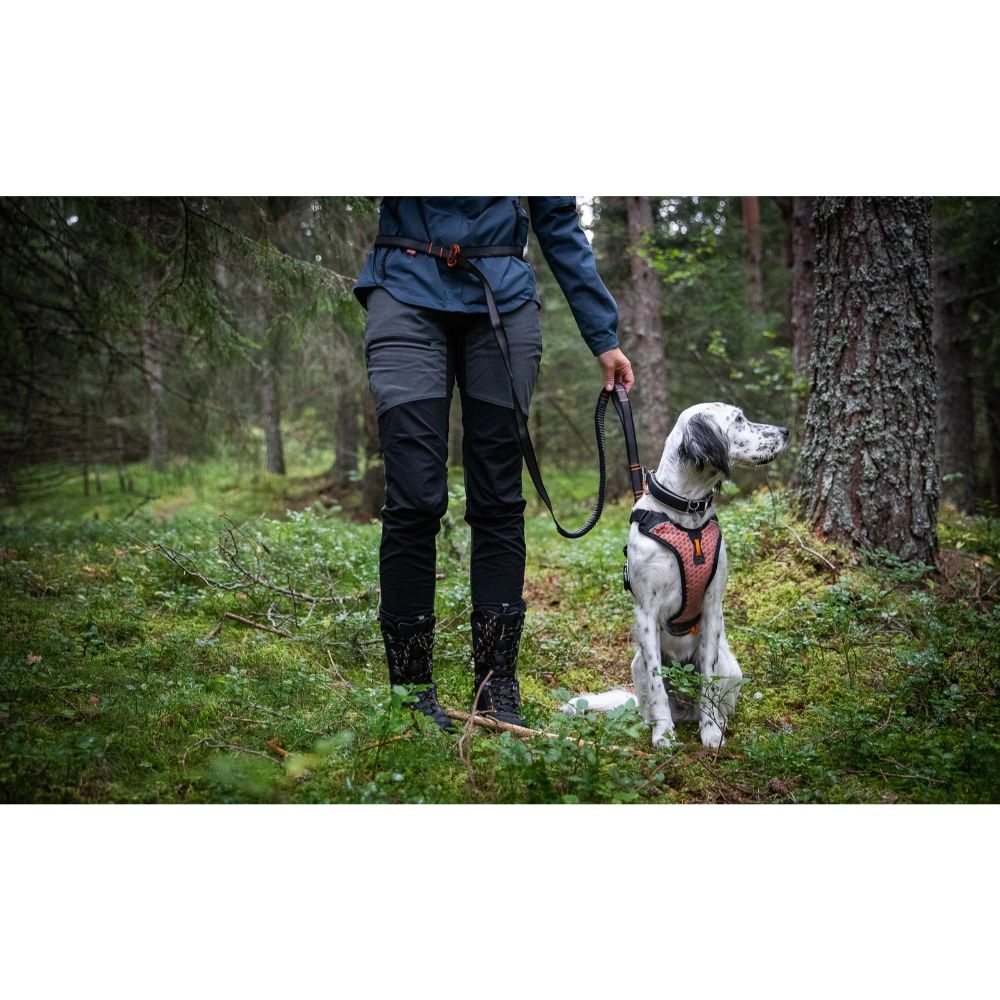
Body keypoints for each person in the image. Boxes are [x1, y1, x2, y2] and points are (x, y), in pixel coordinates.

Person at [354, 197, 634, 730]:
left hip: (502, 302)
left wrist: (603, 334)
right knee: (413, 498)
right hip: (404, 289)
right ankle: (411, 694)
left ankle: (496, 686)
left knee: (499, 498)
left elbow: (557, 220)